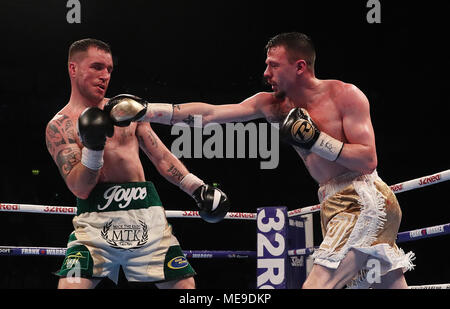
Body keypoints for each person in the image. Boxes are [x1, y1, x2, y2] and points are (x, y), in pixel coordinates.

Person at [109, 32, 415, 289]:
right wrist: (148, 110)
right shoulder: (272, 104)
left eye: (273, 65)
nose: (266, 73)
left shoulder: (344, 95)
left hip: (363, 201)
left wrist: (315, 140)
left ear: (299, 67)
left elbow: (368, 160)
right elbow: (212, 115)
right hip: (333, 203)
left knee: (317, 285)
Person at [45, 38, 230, 289]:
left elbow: (161, 156)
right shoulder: (60, 125)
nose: (105, 76)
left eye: (109, 69)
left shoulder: (124, 111)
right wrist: (94, 147)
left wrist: (196, 188)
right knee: (70, 286)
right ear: (73, 68)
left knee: (186, 288)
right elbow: (80, 188)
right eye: (97, 67)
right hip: (94, 220)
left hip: (146, 213)